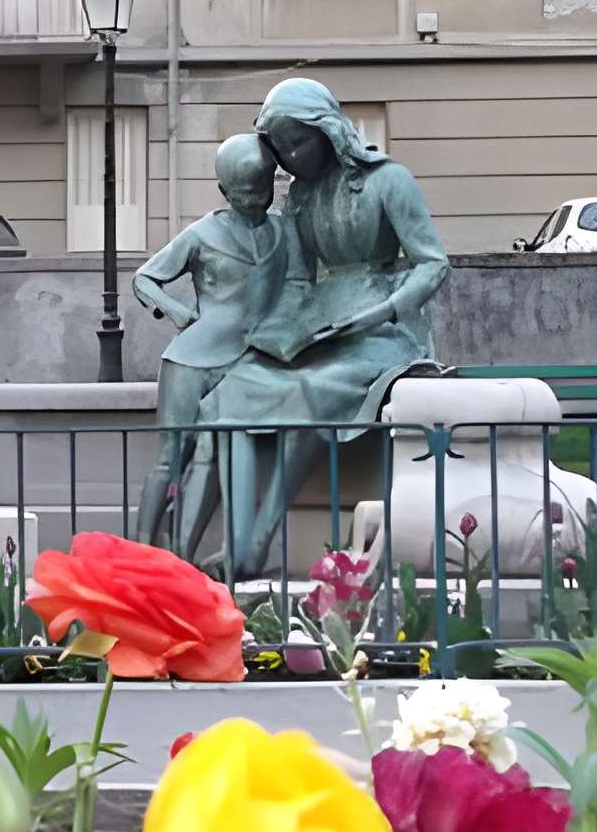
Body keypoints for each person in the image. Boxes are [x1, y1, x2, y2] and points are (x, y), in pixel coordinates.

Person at [200, 78, 451, 579]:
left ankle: (259, 543)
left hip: (384, 333)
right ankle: (231, 543)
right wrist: (273, 334)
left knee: (310, 392)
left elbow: (432, 263)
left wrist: (385, 310)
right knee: (229, 391)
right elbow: (297, 281)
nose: (291, 157)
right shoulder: (299, 198)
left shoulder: (388, 180)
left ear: (327, 131)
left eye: (299, 142)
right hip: (320, 324)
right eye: (281, 148)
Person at [132, 134, 284, 554]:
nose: (253, 201)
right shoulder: (202, 234)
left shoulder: (282, 231)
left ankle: (190, 554)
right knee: (171, 458)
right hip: (191, 361)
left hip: (247, 359)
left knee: (216, 453)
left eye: (261, 190)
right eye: (243, 194)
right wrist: (179, 314)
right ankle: (141, 550)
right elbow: (145, 278)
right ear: (223, 190)